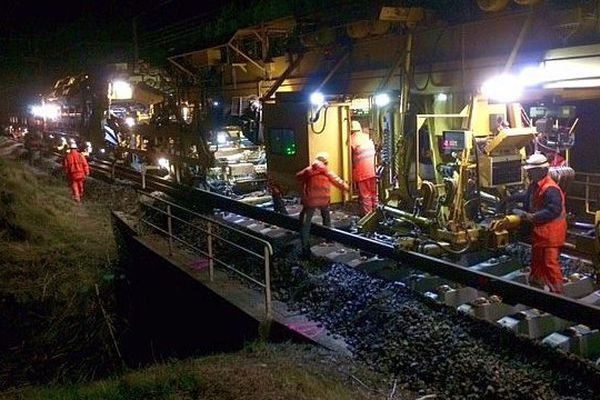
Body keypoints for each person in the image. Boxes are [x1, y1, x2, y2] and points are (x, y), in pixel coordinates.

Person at [505, 153, 566, 293]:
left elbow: (554, 210)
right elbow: (527, 197)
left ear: (541, 171)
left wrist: (532, 217)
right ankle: (536, 290)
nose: (529, 173)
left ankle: (559, 296)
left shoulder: (550, 188)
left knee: (549, 264)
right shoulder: (536, 185)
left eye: (531, 171)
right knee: (537, 262)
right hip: (541, 232)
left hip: (551, 234)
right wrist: (509, 199)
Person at [296, 152, 349, 257]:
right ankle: (329, 239)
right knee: (326, 218)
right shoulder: (327, 171)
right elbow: (337, 181)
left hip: (311, 200)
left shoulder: (309, 170)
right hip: (324, 199)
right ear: (325, 162)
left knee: (306, 222)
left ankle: (305, 247)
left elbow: (298, 176)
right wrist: (346, 187)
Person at [350, 120, 378, 216]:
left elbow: (348, 158)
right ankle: (377, 215)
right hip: (374, 170)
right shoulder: (367, 137)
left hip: (363, 172)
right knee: (374, 194)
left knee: (366, 195)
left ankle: (368, 218)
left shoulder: (351, 139)